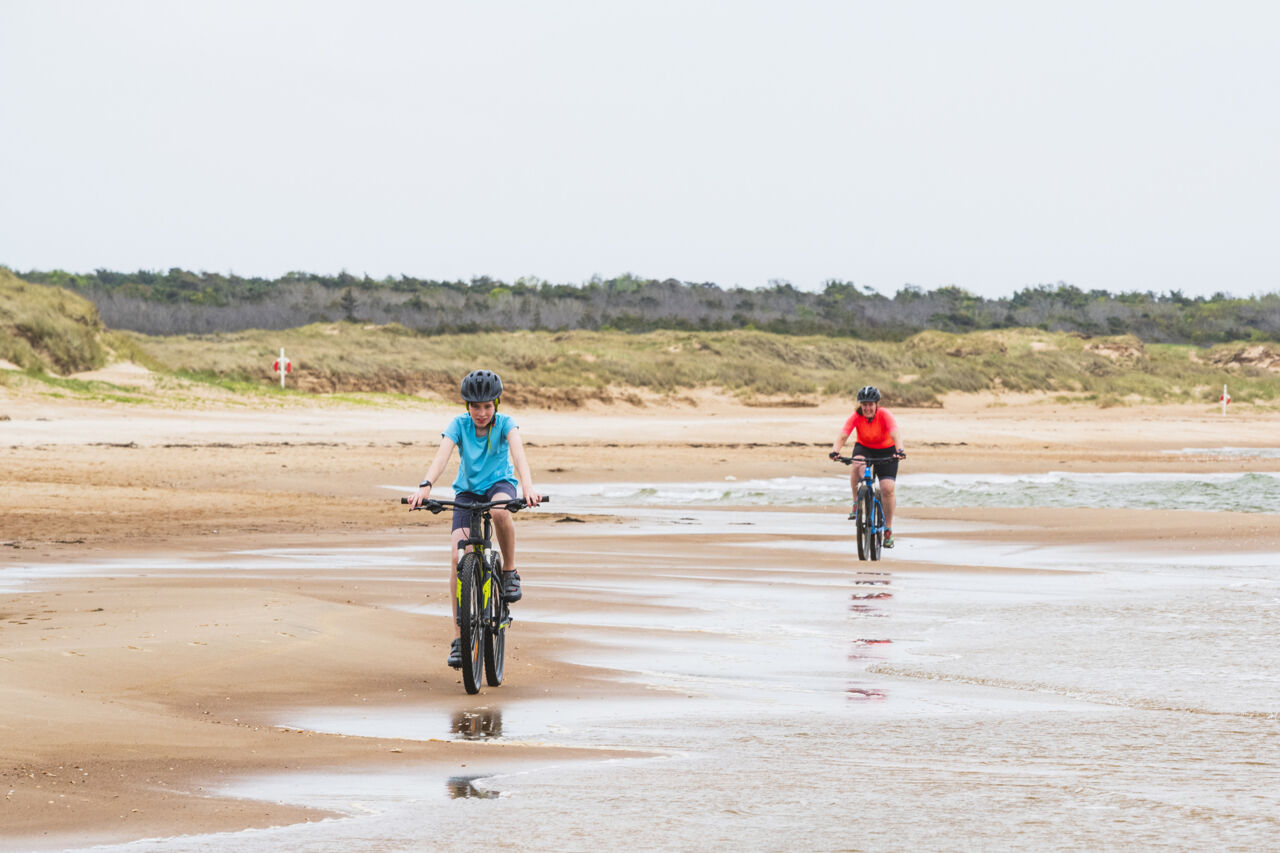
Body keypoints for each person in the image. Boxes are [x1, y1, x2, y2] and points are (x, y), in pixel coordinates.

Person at [408, 369, 542, 668]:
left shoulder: (506, 424)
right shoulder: (458, 425)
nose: (481, 413)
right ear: (467, 405)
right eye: (475, 406)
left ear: (497, 404)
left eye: (487, 406)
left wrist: (528, 487)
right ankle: (459, 639)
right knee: (457, 556)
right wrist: (425, 486)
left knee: (499, 511)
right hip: (467, 493)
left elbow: (519, 456)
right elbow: (442, 457)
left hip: (499, 485)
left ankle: (509, 571)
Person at [829, 385, 905, 547]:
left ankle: (888, 530)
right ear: (860, 405)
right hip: (865, 448)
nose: (867, 408)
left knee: (887, 489)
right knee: (857, 463)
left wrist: (899, 450)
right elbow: (843, 435)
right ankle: (856, 502)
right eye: (864, 404)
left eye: (870, 404)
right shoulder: (856, 416)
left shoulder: (885, 415)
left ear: (876, 404)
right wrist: (835, 451)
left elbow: (895, 433)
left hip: (887, 450)